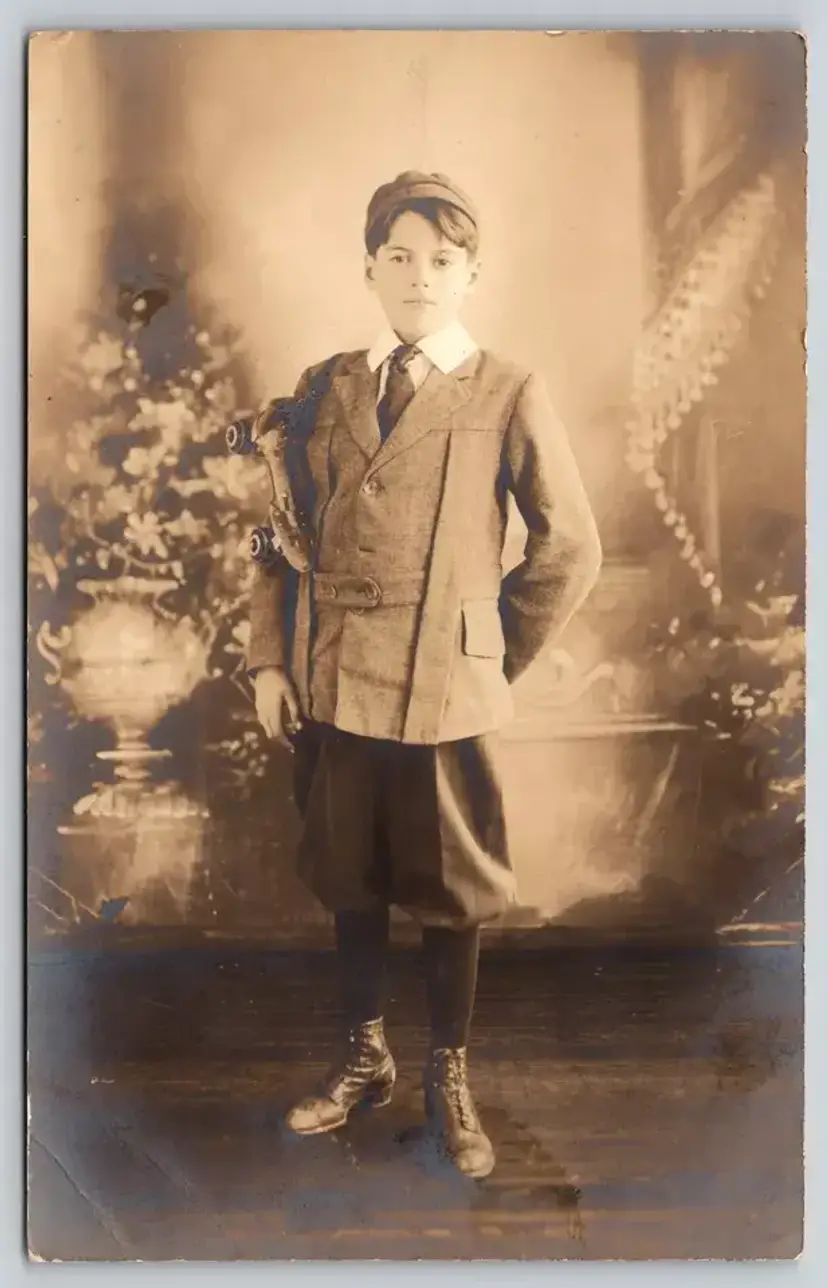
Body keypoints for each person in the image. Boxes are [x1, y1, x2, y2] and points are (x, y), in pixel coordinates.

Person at [245, 170, 602, 1179]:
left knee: (451, 892)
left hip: (447, 690)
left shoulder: (507, 389)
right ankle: (365, 1055)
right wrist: (270, 661)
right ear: (368, 268)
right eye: (397, 257)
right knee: (349, 878)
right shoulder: (325, 388)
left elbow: (569, 546)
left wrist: (488, 655)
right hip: (335, 679)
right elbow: (275, 537)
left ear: (473, 273)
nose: (419, 277)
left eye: (441, 260)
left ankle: (449, 1070)